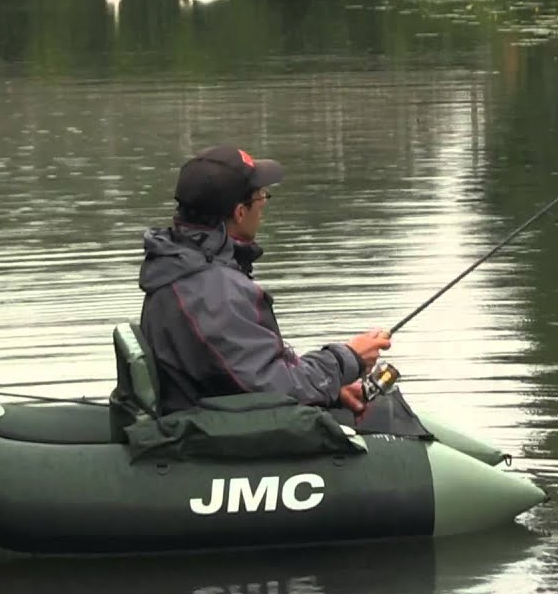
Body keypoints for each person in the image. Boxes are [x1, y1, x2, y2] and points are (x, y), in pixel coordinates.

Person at [137, 144, 392, 417]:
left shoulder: (181, 265)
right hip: (226, 441)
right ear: (240, 212)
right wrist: (348, 358)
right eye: (261, 198)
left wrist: (328, 387)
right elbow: (274, 389)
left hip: (215, 420)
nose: (263, 207)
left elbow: (245, 373)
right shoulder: (211, 292)